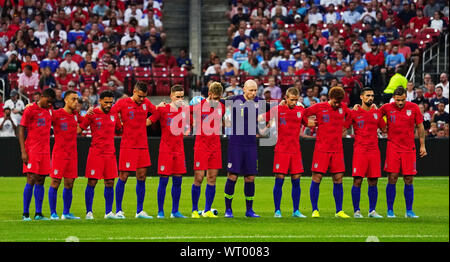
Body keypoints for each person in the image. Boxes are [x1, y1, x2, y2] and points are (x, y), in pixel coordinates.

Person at [260, 87, 312, 218]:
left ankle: (296, 210)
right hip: (281, 150)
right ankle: (277, 210)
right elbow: (261, 118)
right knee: (279, 180)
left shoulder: (300, 110)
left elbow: (309, 122)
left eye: (296, 100)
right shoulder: (278, 109)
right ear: (286, 98)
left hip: (295, 151)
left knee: (296, 180)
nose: (294, 102)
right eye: (291, 100)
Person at [111, 82, 158, 219]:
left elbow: (156, 113)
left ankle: (139, 211)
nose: (142, 99)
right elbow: (112, 113)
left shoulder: (146, 103)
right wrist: (119, 126)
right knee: (123, 176)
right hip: (128, 145)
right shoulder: (123, 103)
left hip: (142, 145)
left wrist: (149, 121)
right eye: (140, 96)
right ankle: (119, 210)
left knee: (142, 176)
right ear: (134, 91)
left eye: (144, 96)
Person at [303, 86, 352, 218]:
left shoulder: (343, 107)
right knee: (317, 178)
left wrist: (345, 126)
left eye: (339, 102)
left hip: (337, 150)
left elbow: (352, 115)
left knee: (338, 178)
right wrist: (309, 124)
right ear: (330, 98)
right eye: (336, 102)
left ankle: (339, 211)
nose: (337, 104)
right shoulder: (319, 107)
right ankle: (315, 210)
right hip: (322, 149)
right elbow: (302, 113)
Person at [379, 87, 427, 218]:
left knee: (409, 178)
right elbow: (374, 116)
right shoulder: (387, 107)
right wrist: (382, 126)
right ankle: (390, 210)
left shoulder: (414, 108)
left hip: (408, 148)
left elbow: (420, 127)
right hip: (393, 148)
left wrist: (422, 146)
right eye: (398, 100)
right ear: (394, 98)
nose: (400, 103)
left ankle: (409, 211)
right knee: (392, 177)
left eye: (403, 100)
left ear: (407, 97)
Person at [147, 85, 189, 219]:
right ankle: (160, 211)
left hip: (179, 150)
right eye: (177, 97)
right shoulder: (163, 109)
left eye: (182, 97)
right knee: (163, 181)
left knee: (178, 181)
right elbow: (148, 121)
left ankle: (175, 211)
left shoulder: (185, 110)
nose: (180, 99)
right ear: (171, 96)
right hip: (166, 150)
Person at [79, 90, 122, 219]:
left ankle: (108, 212)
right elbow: (79, 129)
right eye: (106, 102)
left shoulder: (114, 113)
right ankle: (89, 212)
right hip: (96, 153)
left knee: (110, 182)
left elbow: (119, 129)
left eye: (111, 102)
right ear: (100, 101)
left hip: (110, 153)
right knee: (92, 182)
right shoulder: (93, 113)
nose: (109, 105)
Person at [223, 80, 261, 218]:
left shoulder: (259, 102)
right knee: (232, 176)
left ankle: (249, 210)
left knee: (250, 178)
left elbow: (276, 107)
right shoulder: (233, 100)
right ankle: (228, 209)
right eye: (251, 90)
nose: (253, 93)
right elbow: (217, 101)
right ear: (244, 89)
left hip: (251, 145)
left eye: (255, 90)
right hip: (236, 144)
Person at [18, 88, 56, 221]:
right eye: (49, 102)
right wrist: (23, 151)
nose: (50, 104)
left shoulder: (49, 111)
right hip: (32, 150)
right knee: (31, 179)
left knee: (41, 180)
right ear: (43, 97)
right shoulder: (30, 110)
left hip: (45, 151)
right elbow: (21, 129)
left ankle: (38, 213)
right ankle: (25, 213)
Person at [349, 87, 386, 218]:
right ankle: (356, 211)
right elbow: (344, 126)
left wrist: (380, 112)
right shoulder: (354, 112)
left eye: (372, 95)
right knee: (358, 180)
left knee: (373, 181)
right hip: (360, 150)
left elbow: (385, 128)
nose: (370, 98)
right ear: (361, 97)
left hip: (374, 150)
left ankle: (372, 211)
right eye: (368, 95)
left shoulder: (376, 113)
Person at [190, 82, 225, 218]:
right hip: (201, 146)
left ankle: (207, 210)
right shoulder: (198, 107)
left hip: (215, 147)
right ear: (209, 95)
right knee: (198, 178)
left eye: (218, 99)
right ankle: (194, 210)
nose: (216, 101)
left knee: (212, 178)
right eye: (214, 98)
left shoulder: (221, 106)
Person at [47, 90, 83, 220]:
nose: (76, 102)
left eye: (77, 99)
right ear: (66, 100)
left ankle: (66, 213)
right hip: (59, 154)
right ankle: (53, 213)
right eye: (73, 99)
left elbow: (84, 123)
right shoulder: (56, 114)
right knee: (55, 182)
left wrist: (91, 113)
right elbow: (44, 118)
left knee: (69, 183)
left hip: (72, 154)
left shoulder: (76, 115)